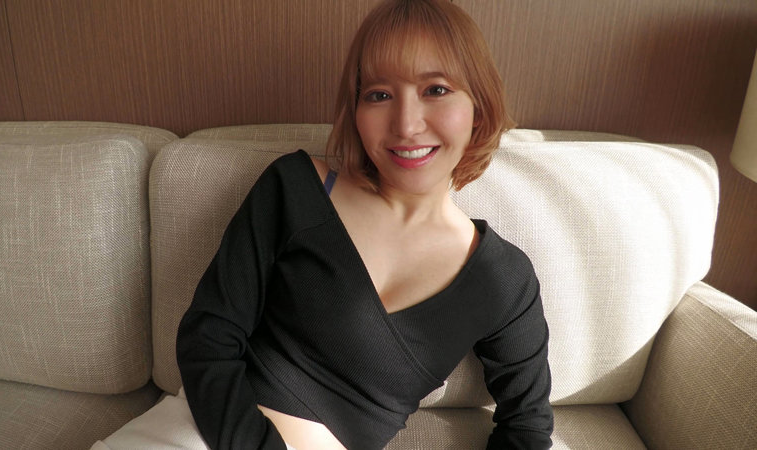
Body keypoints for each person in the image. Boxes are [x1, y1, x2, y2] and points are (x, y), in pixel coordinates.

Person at [176, 0, 553, 448]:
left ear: (479, 109)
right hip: (193, 433)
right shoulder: (296, 188)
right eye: (379, 95)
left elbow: (528, 428)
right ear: (355, 112)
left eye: (435, 89)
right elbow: (208, 336)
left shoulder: (504, 279)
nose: (406, 125)